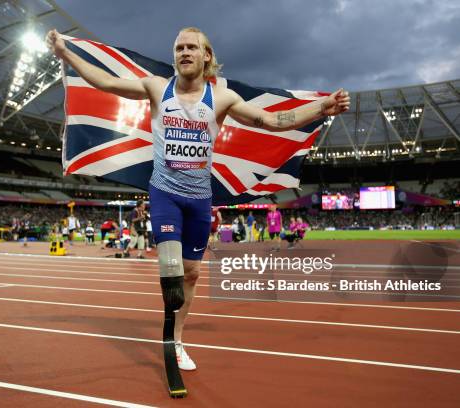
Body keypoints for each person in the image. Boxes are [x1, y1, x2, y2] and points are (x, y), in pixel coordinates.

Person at [47, 26, 350, 371]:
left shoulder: (220, 98)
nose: (184, 53)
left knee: (191, 274)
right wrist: (66, 54)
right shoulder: (156, 87)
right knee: (172, 267)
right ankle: (169, 296)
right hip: (164, 193)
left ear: (206, 56)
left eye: (192, 47)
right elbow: (105, 82)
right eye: (179, 48)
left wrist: (321, 108)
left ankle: (176, 340)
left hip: (199, 200)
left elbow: (270, 120)